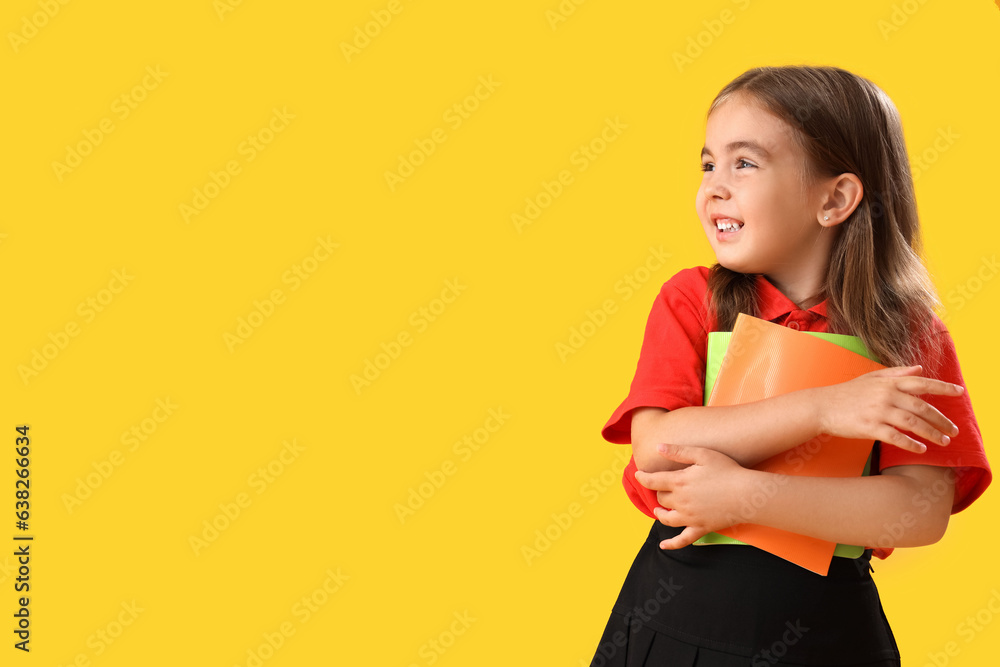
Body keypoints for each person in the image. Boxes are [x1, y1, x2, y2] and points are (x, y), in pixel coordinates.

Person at [589, 65, 992, 666]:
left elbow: (920, 511)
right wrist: (825, 407)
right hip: (672, 618)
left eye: (744, 164)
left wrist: (743, 494)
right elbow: (656, 448)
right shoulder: (692, 300)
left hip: (826, 636)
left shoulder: (911, 336)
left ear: (834, 198)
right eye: (708, 165)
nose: (714, 188)